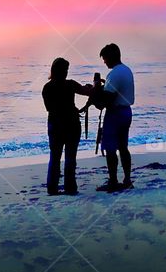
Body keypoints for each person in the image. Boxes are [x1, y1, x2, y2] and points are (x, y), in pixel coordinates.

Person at [41, 58, 93, 195]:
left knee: (55, 158)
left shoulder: (47, 88)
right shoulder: (70, 85)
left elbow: (49, 108)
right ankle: (70, 187)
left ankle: (52, 188)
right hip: (71, 125)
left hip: (55, 125)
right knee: (70, 158)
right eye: (65, 70)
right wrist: (93, 87)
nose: (66, 72)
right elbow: (86, 91)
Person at [96, 43, 135, 192]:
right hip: (126, 112)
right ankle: (127, 179)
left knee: (111, 148)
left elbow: (107, 99)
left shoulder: (114, 74)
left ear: (111, 57)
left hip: (115, 113)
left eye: (105, 58)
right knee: (123, 147)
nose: (104, 61)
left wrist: (96, 92)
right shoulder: (126, 70)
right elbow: (117, 90)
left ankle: (113, 181)